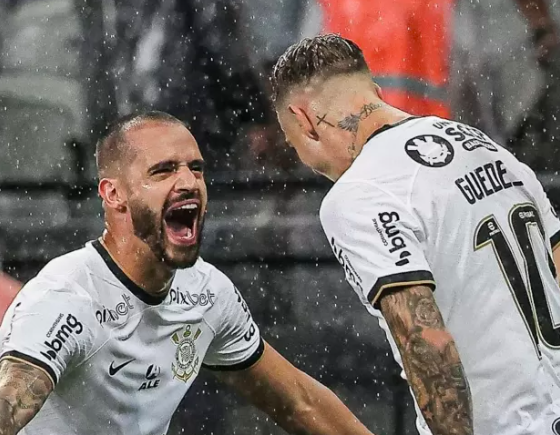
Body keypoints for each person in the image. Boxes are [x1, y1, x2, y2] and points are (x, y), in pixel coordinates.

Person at [0, 111, 377, 435]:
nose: (188, 182)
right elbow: (10, 401)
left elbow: (300, 403)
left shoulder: (208, 292)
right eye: (163, 171)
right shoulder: (65, 296)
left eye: (196, 168)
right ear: (114, 194)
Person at [272, 34, 560, 435]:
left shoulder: (358, 194)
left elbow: (424, 341)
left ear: (302, 120)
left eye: (293, 143)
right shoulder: (486, 147)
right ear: (373, 91)